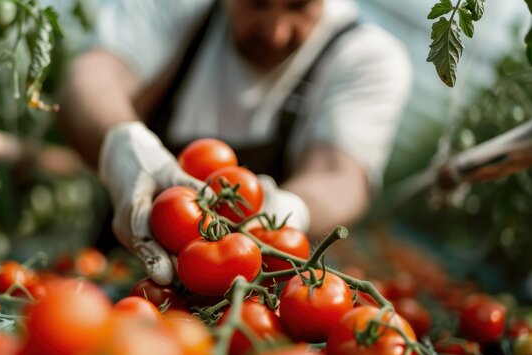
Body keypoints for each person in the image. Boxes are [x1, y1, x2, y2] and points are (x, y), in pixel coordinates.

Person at [58, 0, 412, 285]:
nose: (276, 32)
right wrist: (120, 141)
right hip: (117, 268)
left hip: (247, 289)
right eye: (257, 4)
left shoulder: (365, 56)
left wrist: (290, 208)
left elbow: (340, 173)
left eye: (299, 6)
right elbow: (93, 74)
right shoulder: (180, 6)